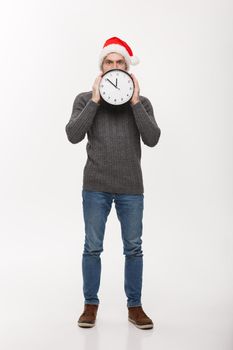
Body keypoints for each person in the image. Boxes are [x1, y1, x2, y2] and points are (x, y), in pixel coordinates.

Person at [65, 36, 161, 330]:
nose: (115, 66)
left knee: (133, 248)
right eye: (110, 62)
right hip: (95, 185)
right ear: (102, 66)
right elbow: (73, 134)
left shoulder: (141, 103)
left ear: (128, 68)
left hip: (131, 186)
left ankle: (135, 307)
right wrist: (95, 100)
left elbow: (153, 138)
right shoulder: (84, 99)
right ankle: (90, 306)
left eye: (121, 62)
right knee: (92, 247)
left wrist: (134, 103)